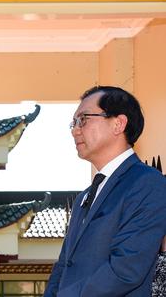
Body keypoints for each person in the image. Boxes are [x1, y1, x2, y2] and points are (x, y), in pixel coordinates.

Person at [44, 86, 166, 297]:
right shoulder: (85, 195)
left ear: (118, 123)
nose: (75, 130)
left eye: (83, 119)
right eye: (73, 123)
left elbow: (126, 269)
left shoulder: (148, 183)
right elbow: (65, 264)